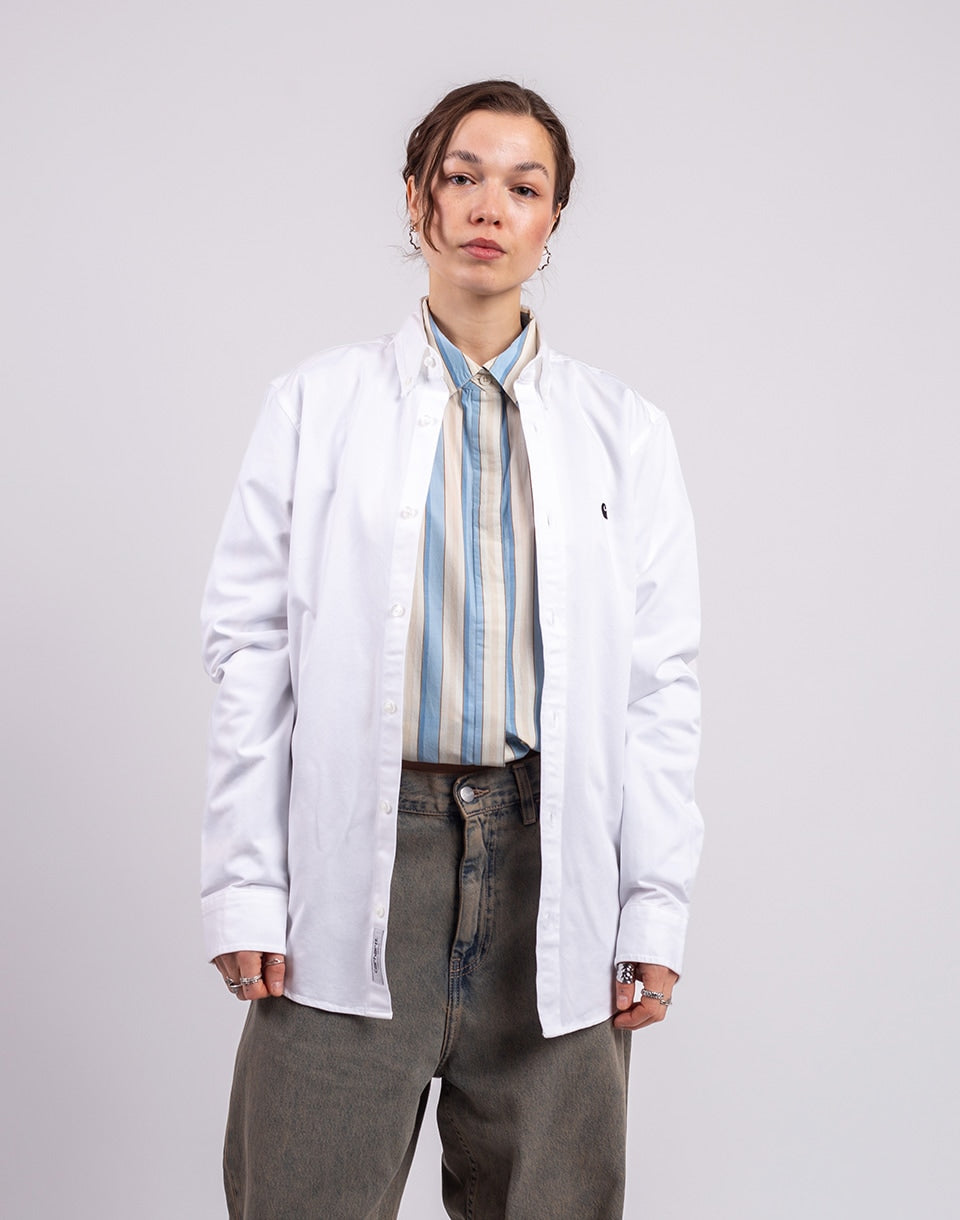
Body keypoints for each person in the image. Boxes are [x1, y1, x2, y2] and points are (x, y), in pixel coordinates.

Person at [201, 79, 703, 1220]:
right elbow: (249, 650)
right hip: (359, 854)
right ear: (417, 197)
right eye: (463, 176)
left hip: (551, 864)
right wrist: (246, 884)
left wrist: (653, 907)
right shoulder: (316, 405)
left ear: (553, 217)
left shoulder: (624, 430)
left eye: (524, 186)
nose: (489, 206)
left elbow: (659, 686)